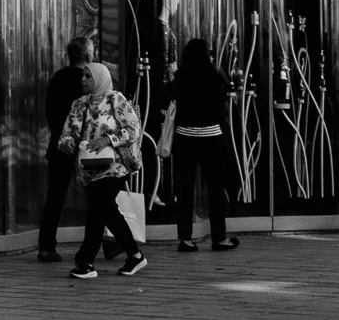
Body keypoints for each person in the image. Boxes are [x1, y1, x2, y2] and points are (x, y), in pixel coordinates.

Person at [63, 57, 147, 279]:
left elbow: (134, 129)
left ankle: (85, 261)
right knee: (106, 210)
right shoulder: (79, 104)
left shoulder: (115, 100)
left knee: (98, 209)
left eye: (88, 76)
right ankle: (135, 256)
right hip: (88, 169)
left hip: (114, 167)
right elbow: (67, 133)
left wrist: (108, 139)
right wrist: (68, 143)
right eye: (83, 75)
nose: (83, 79)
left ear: (99, 79)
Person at [164, 30, 239, 255]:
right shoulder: (216, 77)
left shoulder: (180, 77)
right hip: (211, 138)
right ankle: (219, 237)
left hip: (185, 138)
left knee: (184, 190)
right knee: (215, 189)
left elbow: (170, 100)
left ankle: (185, 238)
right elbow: (222, 110)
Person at [35, 40, 85, 265]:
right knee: (100, 197)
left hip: (59, 144)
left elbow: (50, 112)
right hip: (85, 147)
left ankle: (46, 247)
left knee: (54, 197)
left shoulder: (57, 79)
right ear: (89, 55)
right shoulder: (87, 80)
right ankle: (108, 242)